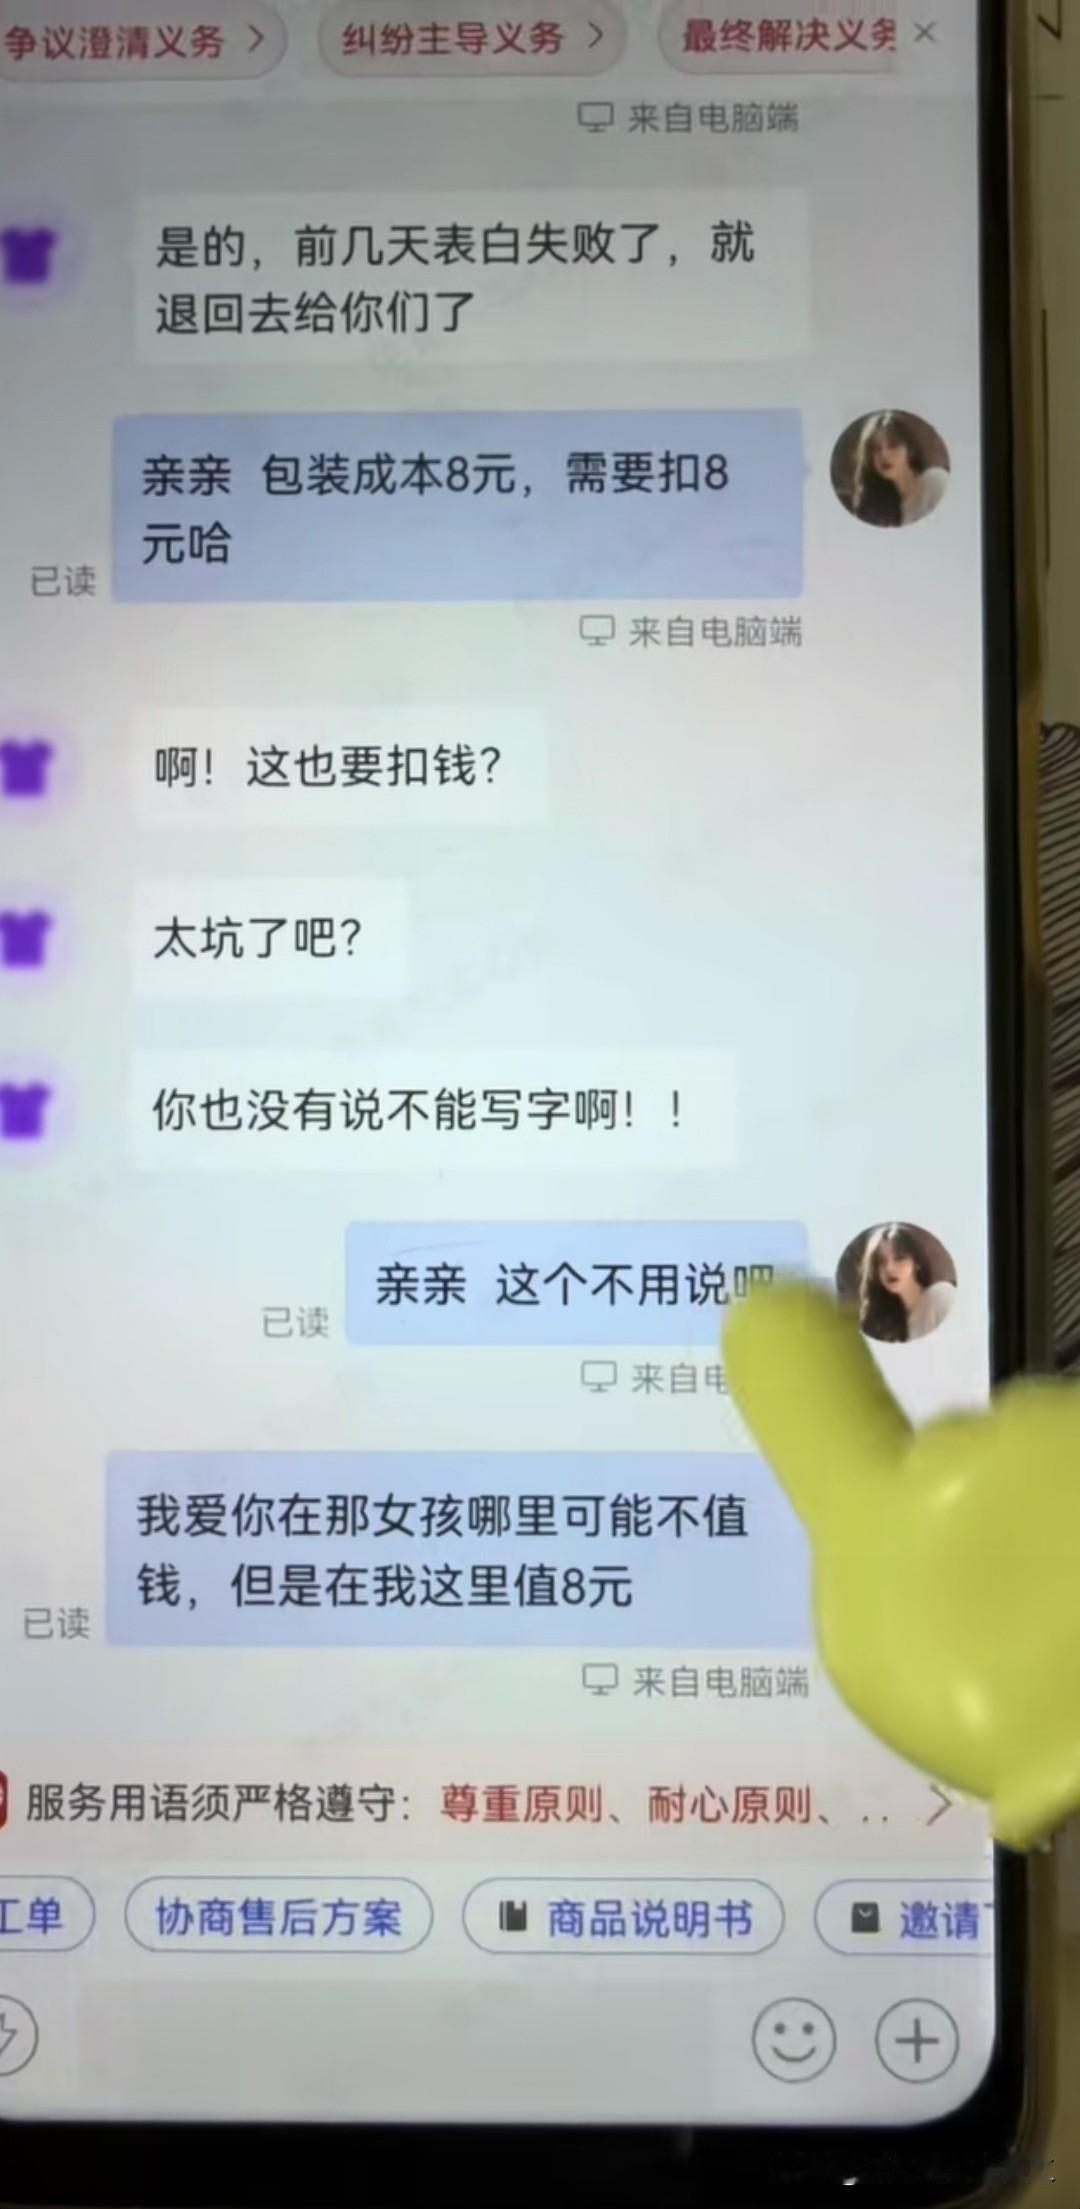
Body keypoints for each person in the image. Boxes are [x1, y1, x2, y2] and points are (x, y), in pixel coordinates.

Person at [857, 1222, 955, 1343]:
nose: (889, 1268)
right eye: (881, 1262)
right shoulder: (883, 1326)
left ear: (917, 1263)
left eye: (899, 1258)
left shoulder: (941, 1296)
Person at [851, 411, 949, 528]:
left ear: (910, 450)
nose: (884, 455)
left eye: (893, 445)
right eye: (875, 448)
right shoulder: (876, 508)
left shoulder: (935, 482)